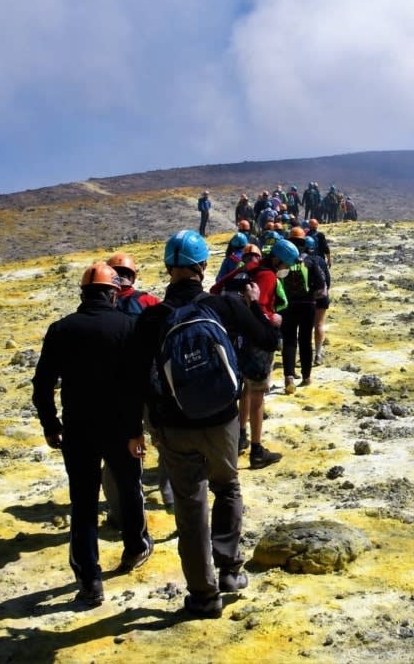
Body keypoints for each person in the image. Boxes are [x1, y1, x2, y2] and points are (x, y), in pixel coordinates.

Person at [125, 230, 278, 618]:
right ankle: (229, 570)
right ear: (203, 266)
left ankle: (203, 596)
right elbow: (267, 338)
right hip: (224, 418)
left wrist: (135, 429)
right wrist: (257, 307)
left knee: (191, 507)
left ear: (168, 268)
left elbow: (134, 379)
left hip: (174, 425)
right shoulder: (224, 305)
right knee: (227, 486)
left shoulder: (153, 317)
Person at [32, 263, 152, 606]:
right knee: (130, 490)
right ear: (113, 293)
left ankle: (90, 580)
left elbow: (42, 385)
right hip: (121, 429)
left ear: (83, 294)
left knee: (83, 504)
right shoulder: (130, 326)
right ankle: (134, 548)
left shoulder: (61, 329)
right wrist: (135, 431)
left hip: (78, 431)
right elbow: (138, 385)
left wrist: (51, 425)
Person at [101, 253, 169, 518]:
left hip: (116, 388)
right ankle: (169, 495)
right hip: (150, 383)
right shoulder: (148, 301)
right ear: (134, 275)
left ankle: (120, 509)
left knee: (119, 449)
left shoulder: (104, 305)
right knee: (163, 441)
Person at [223, 268, 283, 468]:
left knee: (243, 390)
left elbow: (216, 287)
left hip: (236, 345)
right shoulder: (267, 279)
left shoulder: (235, 277)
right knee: (257, 393)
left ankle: (240, 436)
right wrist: (258, 305)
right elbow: (270, 337)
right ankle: (256, 450)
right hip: (257, 348)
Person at [275, 234, 325, 392]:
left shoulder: (284, 261)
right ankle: (306, 376)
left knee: (289, 340)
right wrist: (312, 297)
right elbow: (320, 287)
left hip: (287, 306)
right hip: (308, 306)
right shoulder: (310, 261)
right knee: (305, 340)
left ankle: (289, 377)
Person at [304, 235, 331, 365]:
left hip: (306, 298)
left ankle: (306, 354)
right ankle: (318, 354)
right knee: (319, 325)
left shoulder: (300, 261)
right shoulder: (320, 260)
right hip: (322, 296)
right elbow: (328, 280)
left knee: (306, 327)